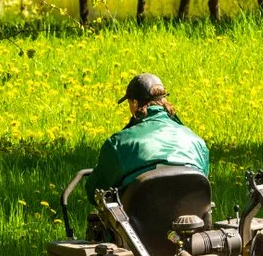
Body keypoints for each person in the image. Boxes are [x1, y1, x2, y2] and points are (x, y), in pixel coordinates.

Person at [84, 73, 209, 203]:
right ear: (164, 100)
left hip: (137, 215)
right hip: (191, 213)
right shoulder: (197, 142)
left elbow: (95, 191)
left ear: (135, 103)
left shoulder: (119, 143)